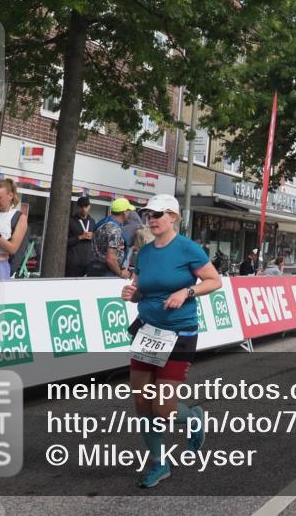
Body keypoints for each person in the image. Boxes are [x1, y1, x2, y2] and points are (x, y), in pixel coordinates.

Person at [119, 194, 222, 488]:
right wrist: (132, 294)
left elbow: (214, 281)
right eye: (148, 215)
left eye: (158, 215)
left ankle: (193, 419)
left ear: (173, 217)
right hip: (148, 332)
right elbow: (141, 289)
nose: (151, 220)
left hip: (179, 334)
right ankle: (159, 462)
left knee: (163, 408)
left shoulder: (187, 248)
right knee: (142, 403)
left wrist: (186, 292)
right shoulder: (145, 252)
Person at [88, 198, 135, 278]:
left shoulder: (103, 223)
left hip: (94, 268)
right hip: (107, 272)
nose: (129, 213)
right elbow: (111, 259)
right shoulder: (114, 229)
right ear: (124, 213)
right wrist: (120, 273)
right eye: (128, 211)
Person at [66, 196, 96, 277]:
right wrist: (79, 237)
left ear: (89, 207)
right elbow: (64, 242)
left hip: (87, 262)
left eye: (86, 206)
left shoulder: (92, 221)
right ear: (77, 207)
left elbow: (95, 240)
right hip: (73, 263)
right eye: (81, 206)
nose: (83, 209)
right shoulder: (71, 220)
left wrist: (93, 236)